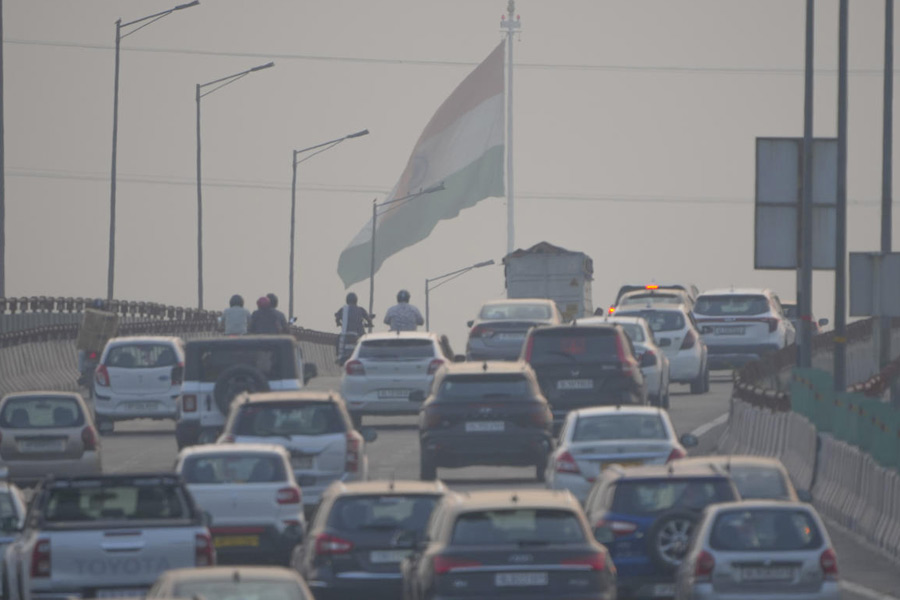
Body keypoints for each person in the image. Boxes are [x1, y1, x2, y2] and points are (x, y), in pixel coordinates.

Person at [335, 292, 372, 363]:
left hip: (345, 334)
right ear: (356, 300)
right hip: (359, 334)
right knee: (366, 342)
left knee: (337, 340)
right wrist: (370, 324)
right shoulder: (361, 310)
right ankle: (367, 357)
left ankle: (339, 356)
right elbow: (369, 320)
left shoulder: (343, 309)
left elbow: (337, 318)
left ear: (347, 300)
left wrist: (338, 323)